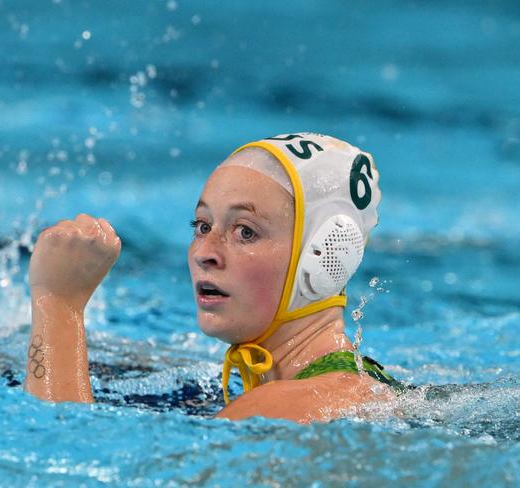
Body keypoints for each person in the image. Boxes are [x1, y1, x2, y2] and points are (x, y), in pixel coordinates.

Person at [24, 132, 404, 423]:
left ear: (325, 256)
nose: (205, 252)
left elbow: (62, 462)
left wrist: (58, 303)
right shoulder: (352, 385)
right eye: (202, 225)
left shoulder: (278, 408)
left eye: (245, 232)